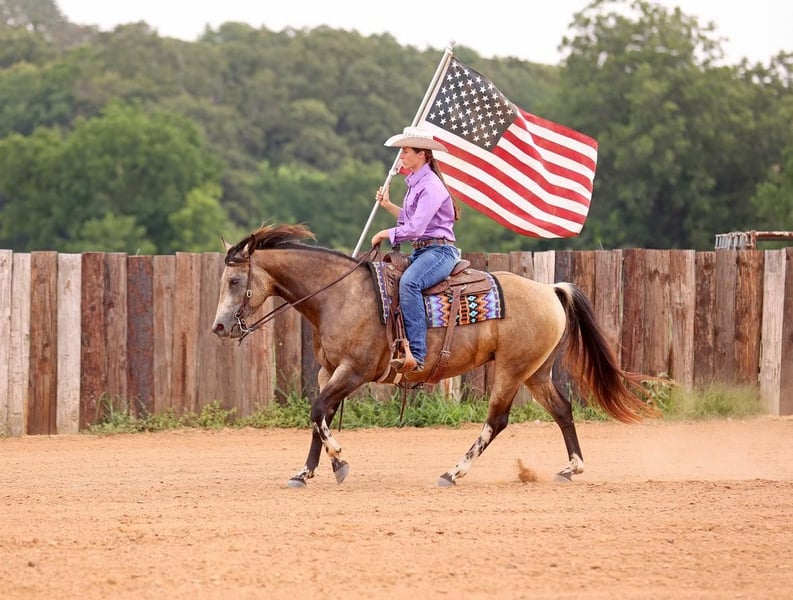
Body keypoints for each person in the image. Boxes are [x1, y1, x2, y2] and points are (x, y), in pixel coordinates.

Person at [371, 126, 461, 373]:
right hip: (424, 251)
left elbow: (416, 229)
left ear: (422, 154)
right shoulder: (418, 183)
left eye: (406, 151)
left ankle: (418, 355)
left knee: (409, 283)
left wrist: (385, 233)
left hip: (439, 252)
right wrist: (388, 205)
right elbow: (412, 219)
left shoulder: (430, 185)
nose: (401, 156)